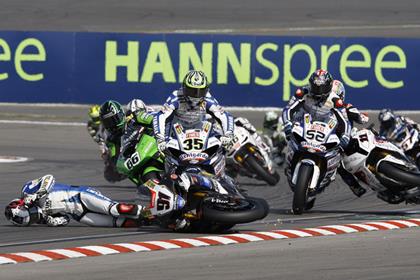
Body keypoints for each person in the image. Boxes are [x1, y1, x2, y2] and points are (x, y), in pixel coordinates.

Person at [4, 175, 153, 227]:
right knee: (116, 223)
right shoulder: (40, 219)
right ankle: (151, 222)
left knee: (113, 209)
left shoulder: (28, 190)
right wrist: (53, 221)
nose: (35, 217)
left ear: (23, 204)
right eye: (31, 220)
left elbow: (49, 178)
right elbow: (65, 219)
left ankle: (151, 212)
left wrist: (37, 195)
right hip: (80, 215)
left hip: (81, 195)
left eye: (32, 214)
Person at [153, 70, 235, 153]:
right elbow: (160, 116)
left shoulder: (208, 98)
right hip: (176, 133)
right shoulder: (176, 96)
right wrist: (160, 138)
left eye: (200, 91)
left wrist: (228, 134)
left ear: (206, 90)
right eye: (191, 91)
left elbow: (224, 115)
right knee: (163, 154)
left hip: (200, 132)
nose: (196, 95)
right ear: (184, 88)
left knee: (224, 147)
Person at [282, 69, 352, 149]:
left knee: (342, 146)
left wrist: (346, 135)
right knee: (283, 136)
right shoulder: (302, 92)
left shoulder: (336, 100)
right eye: (315, 87)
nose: (318, 92)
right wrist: (287, 123)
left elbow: (345, 121)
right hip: (302, 124)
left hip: (324, 130)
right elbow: (288, 108)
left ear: (329, 86)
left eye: (322, 88)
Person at [99, 100, 128, 182]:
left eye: (114, 120)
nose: (112, 124)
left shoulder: (132, 120)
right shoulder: (110, 137)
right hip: (126, 156)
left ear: (121, 115)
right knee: (110, 174)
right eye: (108, 122)